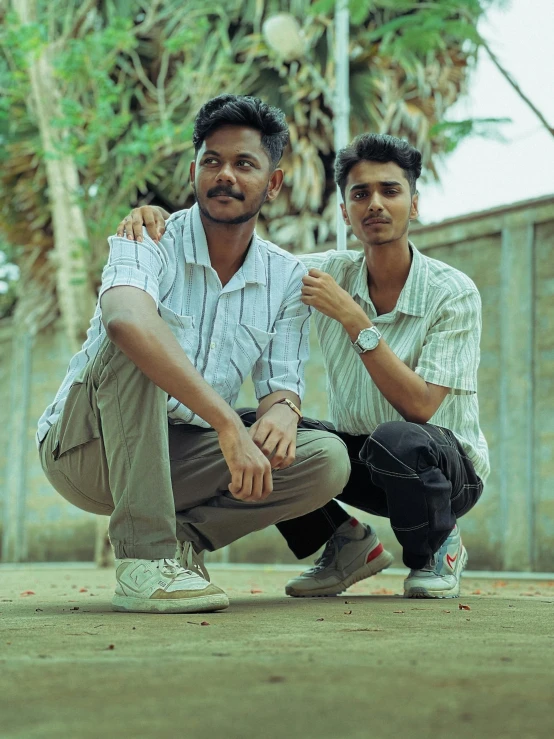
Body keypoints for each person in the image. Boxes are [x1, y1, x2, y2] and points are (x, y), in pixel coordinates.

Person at [118, 133, 489, 600]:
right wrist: (157, 220)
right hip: (366, 462)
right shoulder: (325, 272)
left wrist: (354, 318)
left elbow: (420, 406)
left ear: (413, 205)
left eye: (390, 191)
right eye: (360, 194)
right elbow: (245, 256)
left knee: (399, 438)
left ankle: (437, 547)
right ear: (344, 212)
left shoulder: (453, 292)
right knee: (261, 425)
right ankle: (348, 544)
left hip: (444, 469)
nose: (375, 203)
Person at [36, 94, 350, 614]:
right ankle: (144, 560)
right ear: (193, 172)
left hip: (174, 458)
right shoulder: (145, 237)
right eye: (212, 161)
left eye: (244, 163)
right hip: (86, 451)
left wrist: (282, 414)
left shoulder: (287, 278)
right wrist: (229, 424)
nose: (225, 174)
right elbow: (124, 321)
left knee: (326, 460)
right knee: (136, 337)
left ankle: (179, 543)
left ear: (272, 183)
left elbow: (281, 383)